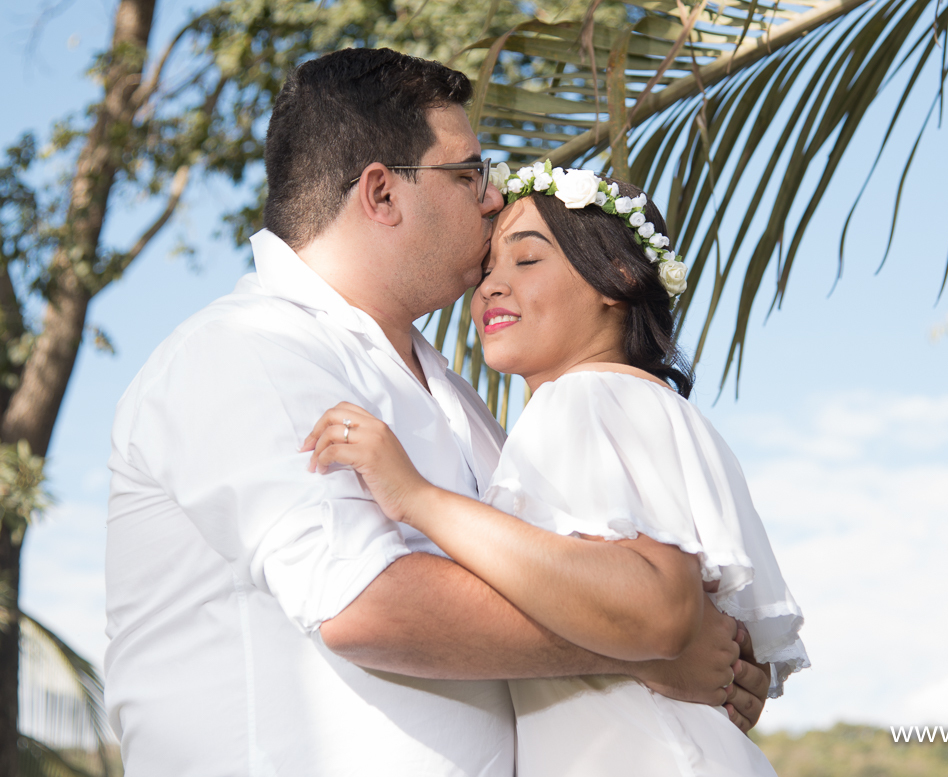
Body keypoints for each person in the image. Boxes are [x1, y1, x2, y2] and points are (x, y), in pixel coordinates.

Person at [104, 49, 768, 776]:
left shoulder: (463, 398)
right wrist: (644, 646)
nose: (492, 196)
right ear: (382, 193)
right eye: (468, 174)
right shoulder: (246, 350)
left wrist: (708, 660)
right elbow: (365, 603)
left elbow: (594, 573)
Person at [302, 162, 809, 776]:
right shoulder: (636, 406)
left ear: (617, 278)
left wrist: (418, 498)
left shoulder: (587, 396)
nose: (491, 287)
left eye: (526, 259)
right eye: (487, 268)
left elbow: (660, 609)